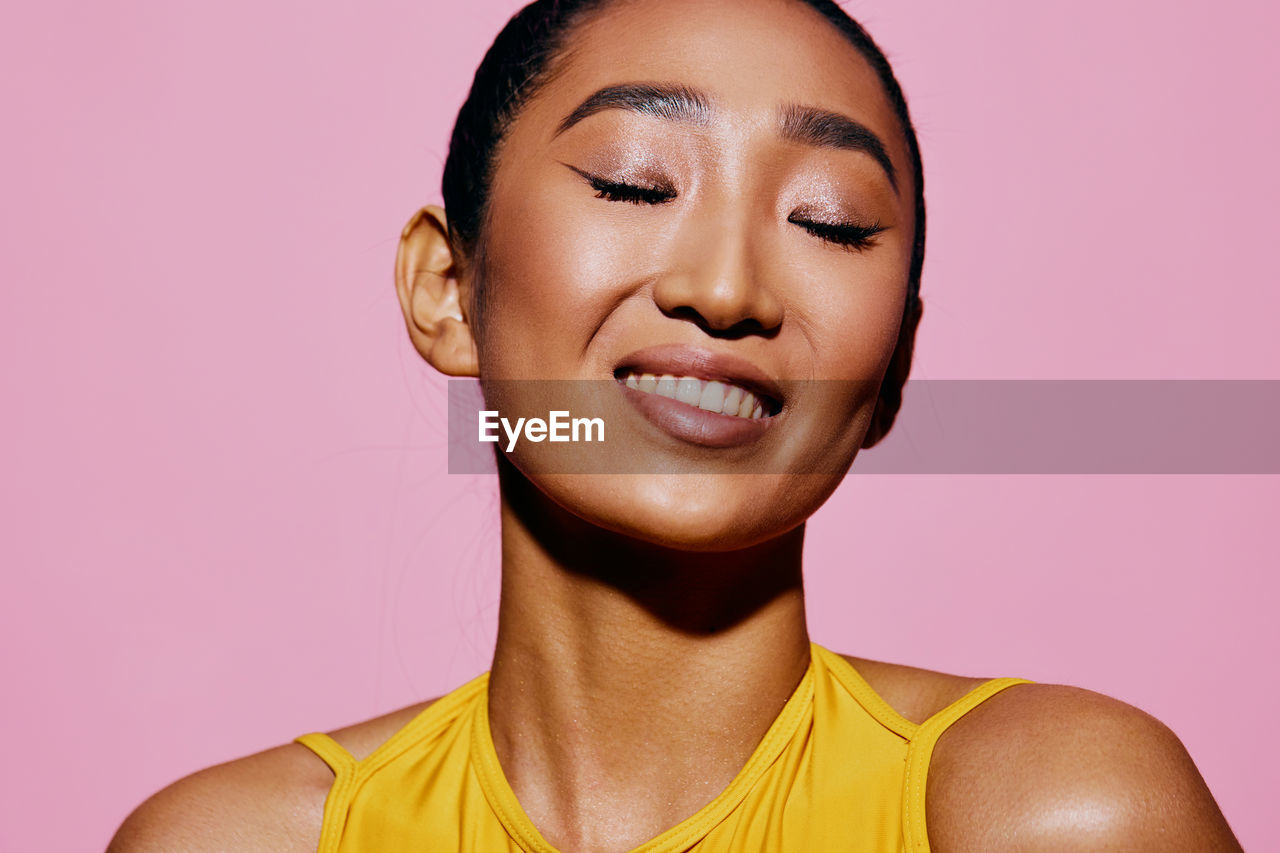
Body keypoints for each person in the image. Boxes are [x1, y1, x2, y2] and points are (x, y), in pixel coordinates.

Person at [109, 0, 1244, 850]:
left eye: (830, 223)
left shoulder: (1049, 813)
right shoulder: (240, 839)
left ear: (894, 363)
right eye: (633, 183)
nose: (727, 287)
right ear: (449, 290)